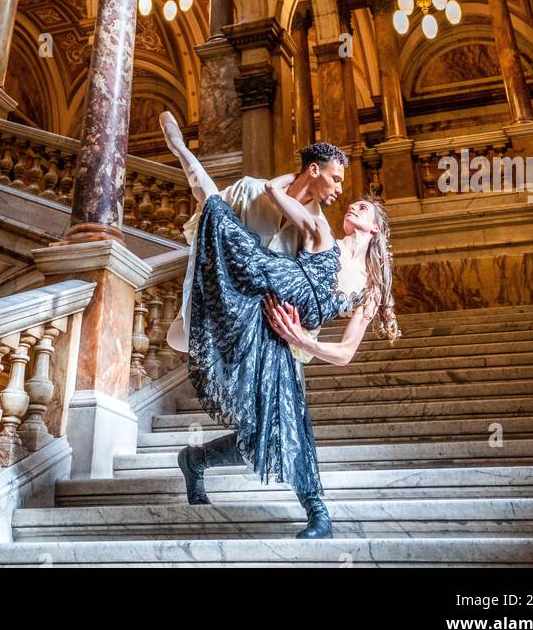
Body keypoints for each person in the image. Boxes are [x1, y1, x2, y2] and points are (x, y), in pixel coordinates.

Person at [158, 111, 399, 539]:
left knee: (278, 427)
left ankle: (306, 506)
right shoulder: (322, 232)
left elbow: (344, 353)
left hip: (282, 330)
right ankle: (183, 152)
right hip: (263, 279)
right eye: (341, 184)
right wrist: (303, 173)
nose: (347, 199)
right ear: (315, 170)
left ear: (377, 228)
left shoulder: (370, 288)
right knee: (219, 215)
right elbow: (272, 190)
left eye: (360, 206)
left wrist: (303, 338)